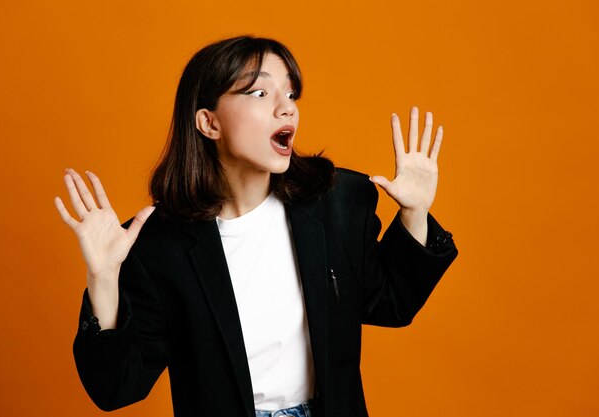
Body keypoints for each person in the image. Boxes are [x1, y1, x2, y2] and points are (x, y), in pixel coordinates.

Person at [54, 35, 458, 417]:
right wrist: (104, 279)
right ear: (208, 123)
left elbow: (392, 304)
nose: (287, 108)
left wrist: (415, 213)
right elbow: (118, 388)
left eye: (290, 93)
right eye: (260, 93)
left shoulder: (339, 202)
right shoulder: (157, 245)